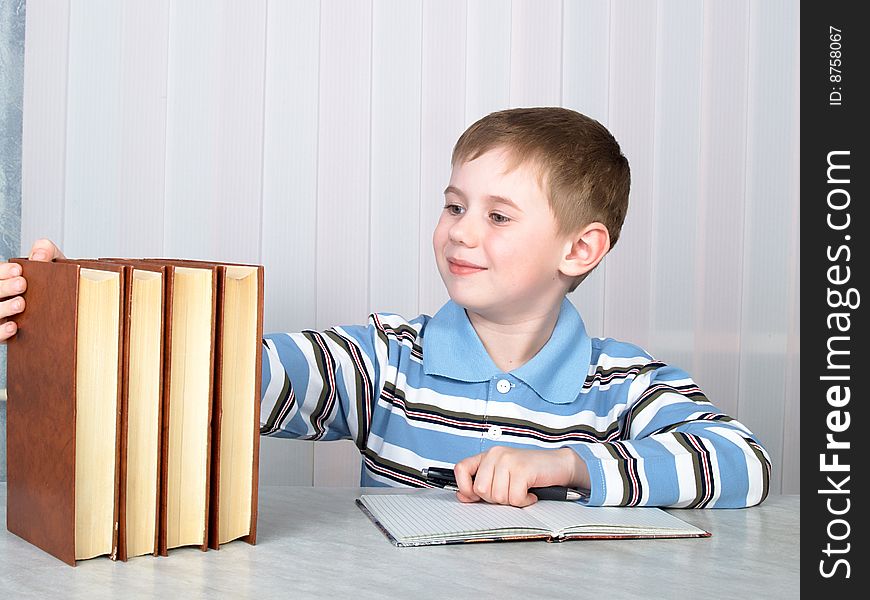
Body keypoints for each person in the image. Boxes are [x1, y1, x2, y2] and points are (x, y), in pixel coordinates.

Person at [0, 107, 770, 509]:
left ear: (580, 250)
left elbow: (742, 463)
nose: (462, 233)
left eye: (499, 217)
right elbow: (237, 371)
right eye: (454, 205)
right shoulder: (386, 357)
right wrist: (85, 313)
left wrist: (564, 464)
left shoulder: (626, 383)